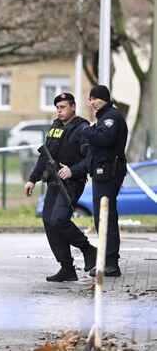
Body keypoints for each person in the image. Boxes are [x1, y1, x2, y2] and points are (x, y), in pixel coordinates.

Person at [24, 93, 97, 282]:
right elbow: (45, 155)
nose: (59, 111)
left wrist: (73, 170)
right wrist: (32, 179)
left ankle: (88, 249)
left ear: (73, 107)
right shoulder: (55, 126)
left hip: (72, 183)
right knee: (48, 221)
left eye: (63, 107)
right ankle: (67, 268)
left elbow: (90, 159)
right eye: (57, 108)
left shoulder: (82, 128)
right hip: (54, 182)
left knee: (58, 220)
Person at [81, 85, 128, 277]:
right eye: (90, 99)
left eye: (94, 99)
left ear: (104, 99)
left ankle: (110, 262)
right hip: (101, 174)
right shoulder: (103, 118)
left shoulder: (111, 118)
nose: (91, 102)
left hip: (108, 174)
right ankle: (106, 260)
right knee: (103, 218)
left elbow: (105, 139)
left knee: (106, 217)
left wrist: (87, 130)